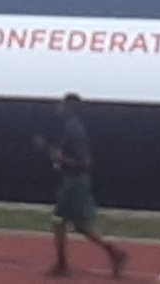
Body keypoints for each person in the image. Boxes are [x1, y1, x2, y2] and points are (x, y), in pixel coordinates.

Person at [35, 94, 127, 279]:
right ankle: (114, 252)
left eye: (61, 104)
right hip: (74, 180)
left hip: (75, 182)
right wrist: (50, 150)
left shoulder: (74, 129)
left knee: (59, 220)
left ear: (68, 107)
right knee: (79, 225)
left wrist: (61, 159)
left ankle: (62, 265)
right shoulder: (71, 127)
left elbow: (85, 162)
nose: (58, 107)